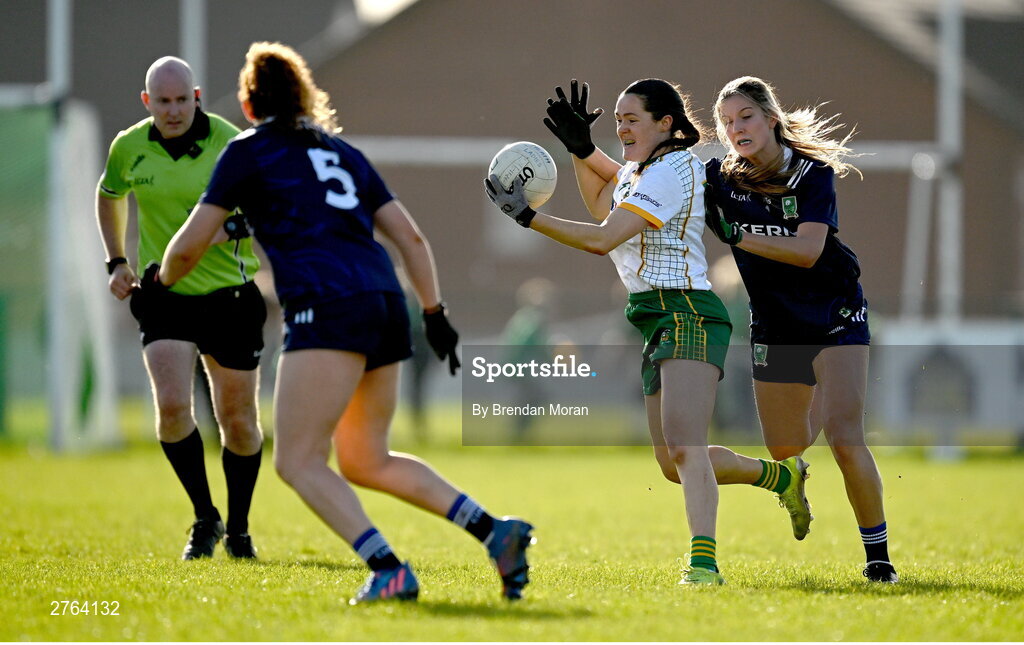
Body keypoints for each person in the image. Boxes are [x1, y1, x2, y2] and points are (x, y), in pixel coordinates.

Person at [157, 41, 534, 603]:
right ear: (305, 97)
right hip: (387, 303)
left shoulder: (246, 151)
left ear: (248, 104)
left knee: (298, 460)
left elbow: (186, 247)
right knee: (365, 458)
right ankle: (494, 531)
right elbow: (411, 237)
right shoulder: (342, 153)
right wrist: (435, 313)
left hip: (327, 307)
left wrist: (156, 285)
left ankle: (389, 569)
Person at [486, 78, 812, 586]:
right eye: (616, 119)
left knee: (685, 445)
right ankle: (781, 476)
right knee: (672, 462)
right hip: (654, 316)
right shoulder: (645, 171)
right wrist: (580, 150)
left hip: (687, 311)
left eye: (631, 118)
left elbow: (602, 237)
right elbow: (602, 197)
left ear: (667, 123)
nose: (621, 127)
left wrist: (528, 217)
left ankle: (704, 567)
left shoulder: (676, 168)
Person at [703, 76, 897, 583]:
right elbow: (644, 181)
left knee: (843, 431)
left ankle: (879, 561)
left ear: (771, 118)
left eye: (744, 117)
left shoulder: (811, 173)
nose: (735, 129)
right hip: (775, 324)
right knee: (785, 451)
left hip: (834, 312)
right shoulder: (718, 176)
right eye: (726, 122)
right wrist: (586, 151)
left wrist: (737, 236)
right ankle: (792, 478)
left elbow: (809, 251)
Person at [96, 56, 265, 561]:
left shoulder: (232, 144)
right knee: (172, 409)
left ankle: (239, 528)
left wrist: (214, 236)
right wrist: (117, 261)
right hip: (162, 295)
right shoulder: (128, 147)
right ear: (148, 102)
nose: (173, 111)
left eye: (181, 100)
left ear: (195, 97)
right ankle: (204, 517)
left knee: (237, 421)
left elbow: (265, 208)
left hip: (230, 296)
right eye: (162, 102)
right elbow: (108, 196)